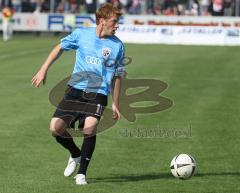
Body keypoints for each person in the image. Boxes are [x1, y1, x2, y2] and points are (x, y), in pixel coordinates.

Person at [31, 3, 125, 185]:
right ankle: (75, 154)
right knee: (55, 129)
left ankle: (82, 173)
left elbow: (118, 75)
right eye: (114, 22)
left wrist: (116, 102)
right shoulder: (82, 34)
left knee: (89, 128)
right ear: (102, 21)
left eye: (117, 22)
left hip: (98, 92)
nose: (117, 26)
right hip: (75, 90)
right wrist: (43, 70)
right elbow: (59, 48)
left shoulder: (118, 46)